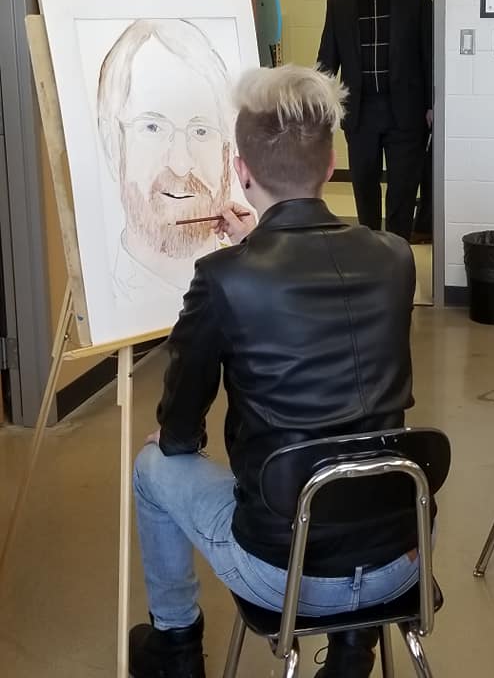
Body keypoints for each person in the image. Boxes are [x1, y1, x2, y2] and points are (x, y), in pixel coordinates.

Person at [128, 65, 427, 678]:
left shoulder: (224, 278)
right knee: (360, 436)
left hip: (288, 571)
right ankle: (352, 650)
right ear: (332, 162)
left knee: (152, 466)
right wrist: (264, 238)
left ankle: (176, 650)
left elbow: (182, 426)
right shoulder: (396, 257)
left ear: (240, 170)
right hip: (401, 556)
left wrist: (178, 438)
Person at [96, 18, 234, 299]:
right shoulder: (105, 298)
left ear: (227, 151)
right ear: (113, 145)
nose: (181, 164)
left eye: (201, 130)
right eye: (153, 127)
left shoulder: (250, 285)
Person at [318, 0, 432, 241]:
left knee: (403, 191)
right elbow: (326, 61)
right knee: (364, 187)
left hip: (407, 113)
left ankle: (398, 254)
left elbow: (431, 56)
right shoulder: (338, 2)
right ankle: (370, 255)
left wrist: (433, 105)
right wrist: (319, 109)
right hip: (361, 114)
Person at [411, 0, 434, 244]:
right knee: (426, 167)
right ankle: (425, 222)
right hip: (428, 100)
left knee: (431, 167)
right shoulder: (426, 3)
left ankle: (427, 222)